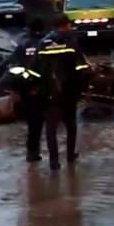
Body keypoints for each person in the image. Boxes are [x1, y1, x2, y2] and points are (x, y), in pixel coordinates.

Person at [35, 14, 91, 170]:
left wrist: (35, 89)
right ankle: (70, 156)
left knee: (51, 129)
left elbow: (35, 70)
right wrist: (85, 89)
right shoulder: (71, 43)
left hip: (48, 93)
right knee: (71, 125)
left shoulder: (43, 44)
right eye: (69, 25)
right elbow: (82, 69)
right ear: (65, 25)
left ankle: (54, 162)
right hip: (69, 92)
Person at [5, 18, 46, 162]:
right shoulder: (47, 44)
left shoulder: (23, 45)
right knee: (48, 123)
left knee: (32, 124)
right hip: (46, 89)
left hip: (27, 89)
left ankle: (32, 153)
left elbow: (14, 68)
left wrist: (15, 90)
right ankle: (57, 156)